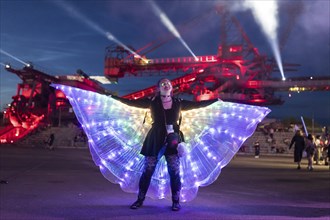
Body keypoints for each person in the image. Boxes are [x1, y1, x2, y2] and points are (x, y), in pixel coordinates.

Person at [112, 78, 218, 211]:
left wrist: (216, 101)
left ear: (172, 87)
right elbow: (131, 103)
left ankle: (175, 201)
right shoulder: (152, 102)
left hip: (173, 140)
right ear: (159, 88)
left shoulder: (178, 102)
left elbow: (198, 105)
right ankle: (140, 199)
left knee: (174, 172)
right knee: (147, 171)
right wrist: (113, 98)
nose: (166, 85)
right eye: (163, 84)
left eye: (168, 83)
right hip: (155, 139)